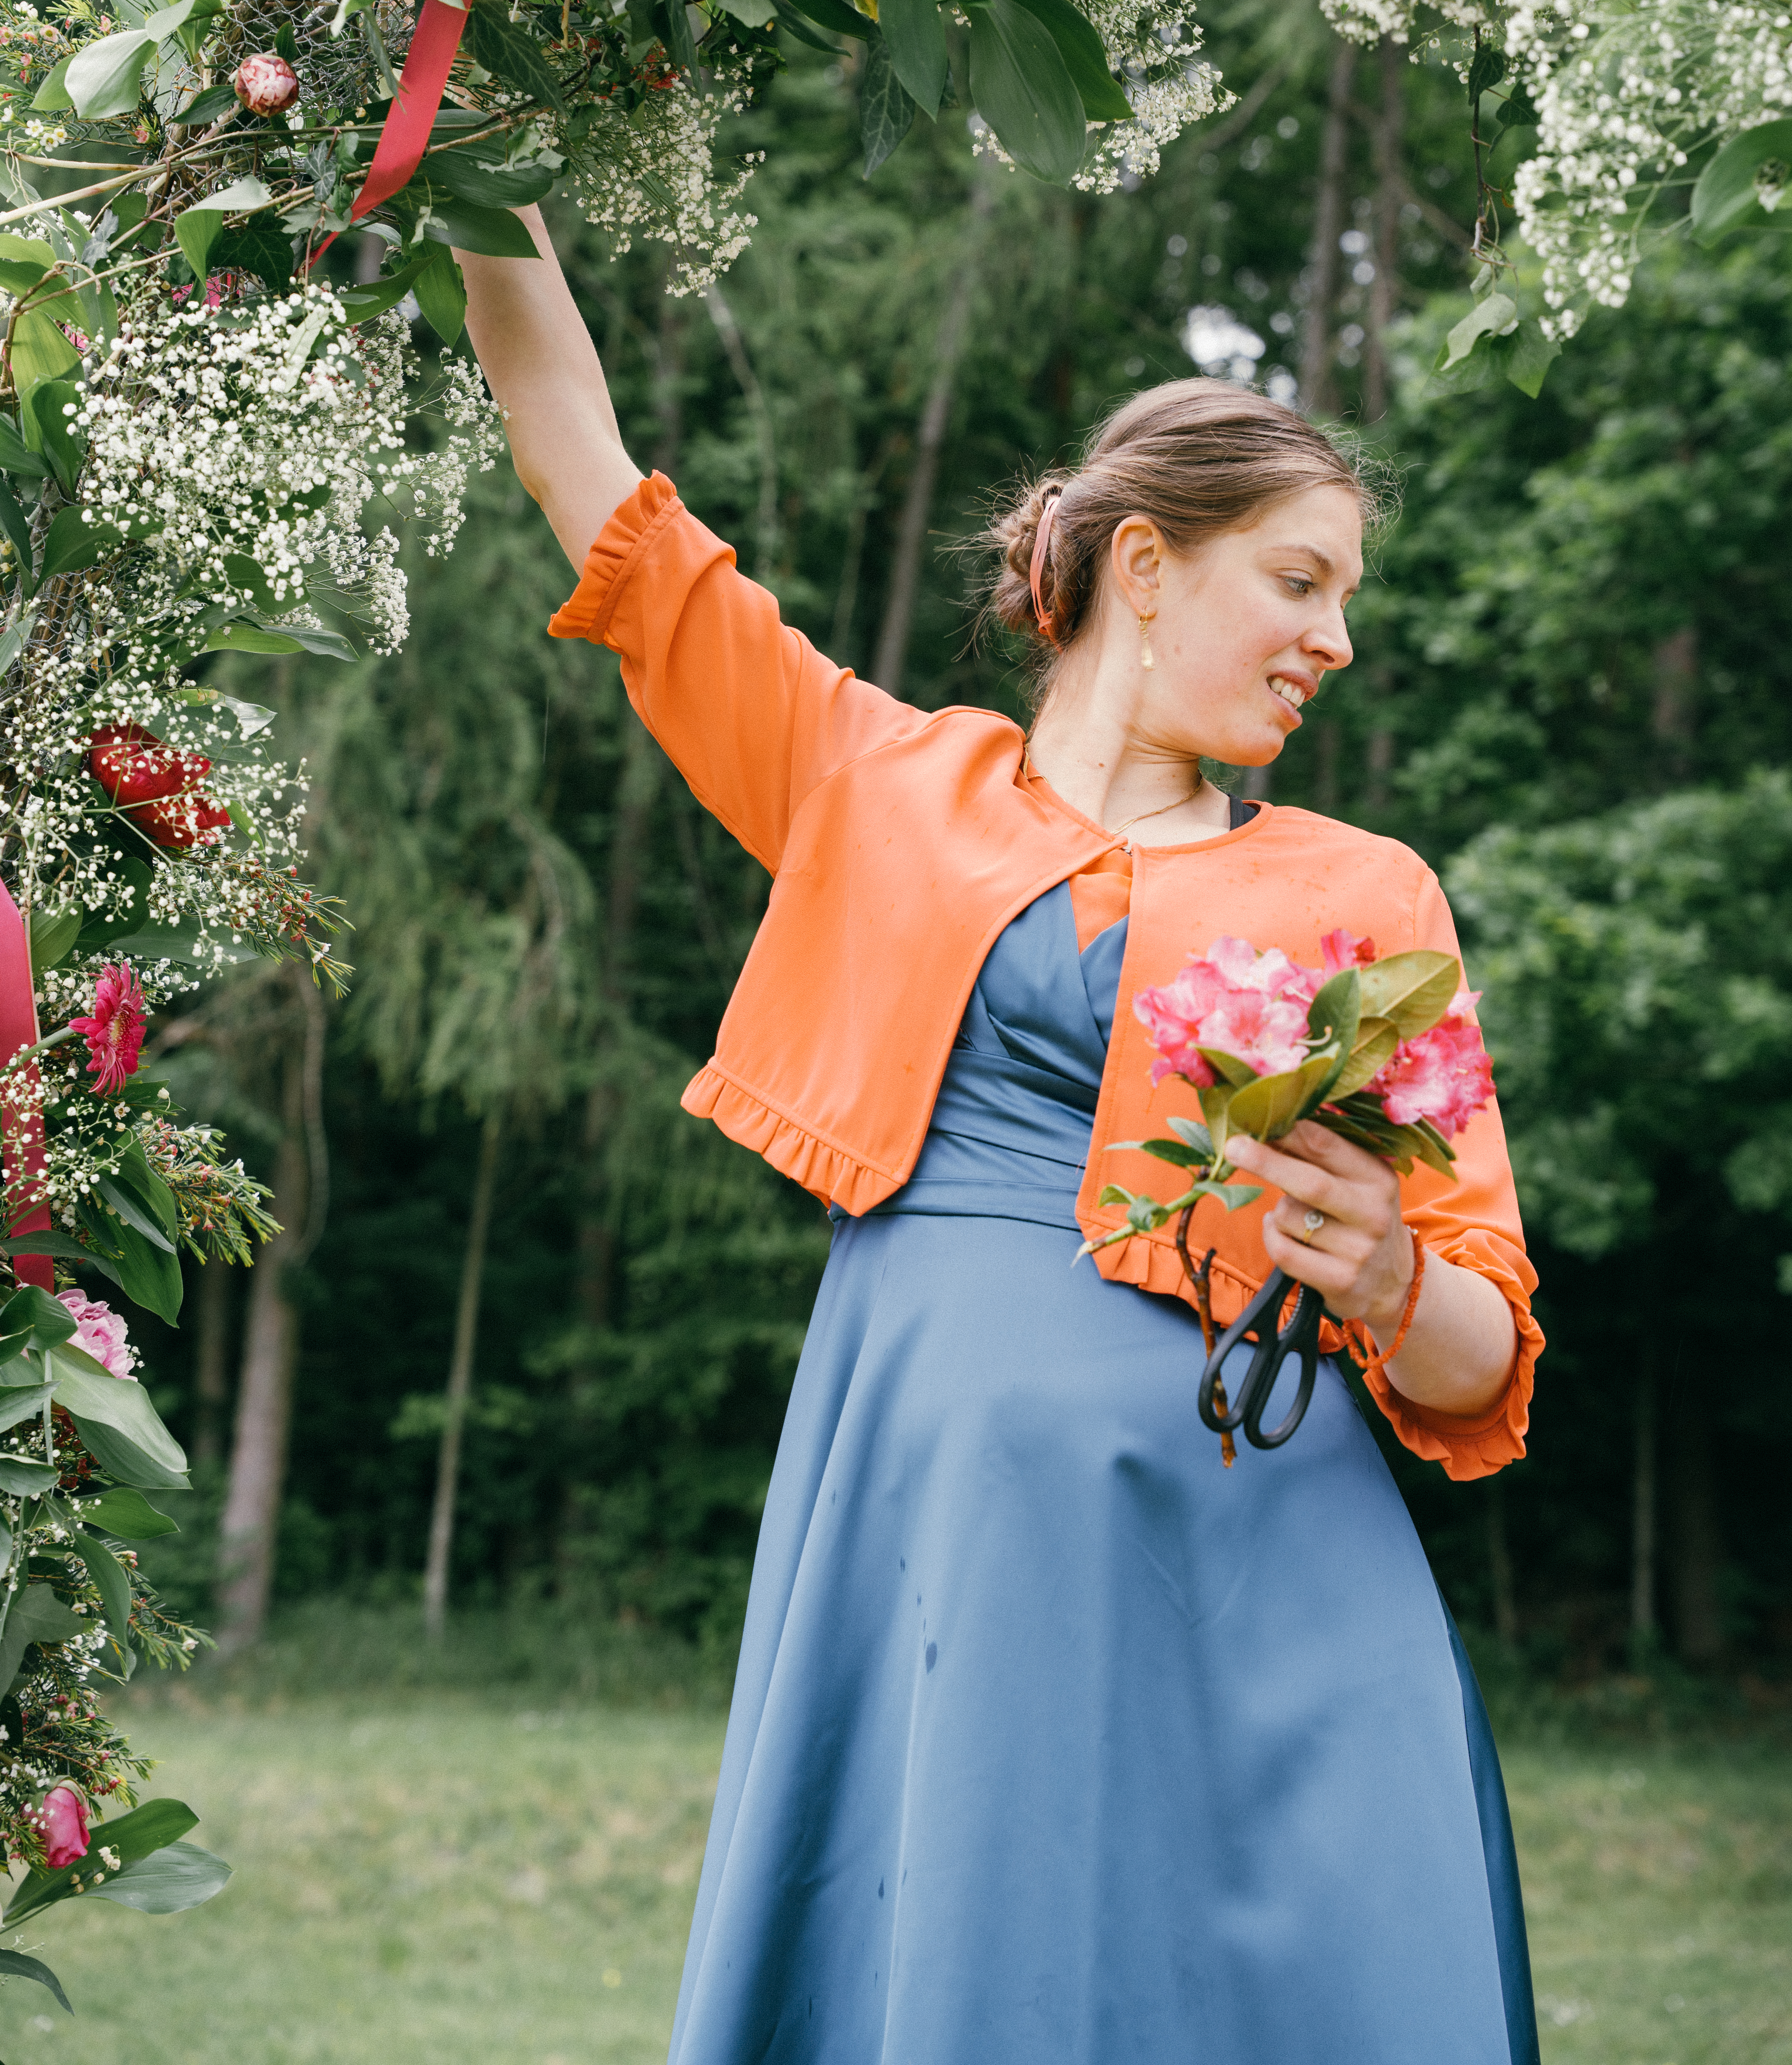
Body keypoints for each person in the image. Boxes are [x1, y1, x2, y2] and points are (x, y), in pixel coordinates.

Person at [460, 209, 1545, 2065]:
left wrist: (1381, 1271)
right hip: (941, 1541)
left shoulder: (1367, 893)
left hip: (1269, 1582)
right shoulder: (873, 784)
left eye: (1343, 597)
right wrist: (466, 162)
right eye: (1299, 581)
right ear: (1145, 564)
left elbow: (1480, 1357)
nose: (1336, 640)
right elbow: (582, 461)